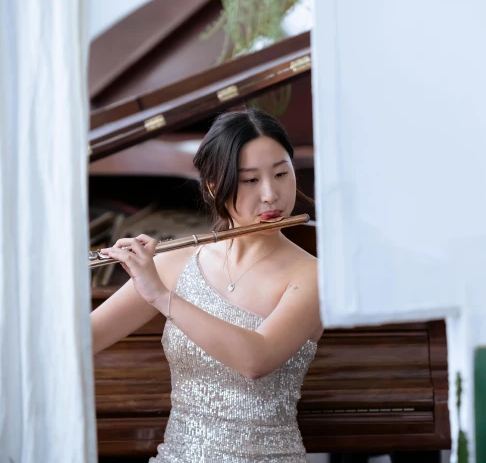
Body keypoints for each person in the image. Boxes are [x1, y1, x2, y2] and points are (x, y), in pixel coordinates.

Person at [91, 108, 323, 462]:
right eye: (250, 180)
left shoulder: (313, 275)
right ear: (214, 185)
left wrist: (159, 294)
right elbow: (82, 341)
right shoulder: (175, 262)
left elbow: (255, 359)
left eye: (281, 174)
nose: (270, 195)